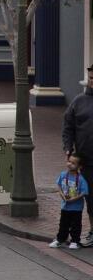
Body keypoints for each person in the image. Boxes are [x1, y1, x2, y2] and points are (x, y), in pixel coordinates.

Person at [61, 64, 93, 246]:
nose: (92, 82)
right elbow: (68, 127)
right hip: (86, 160)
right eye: (90, 78)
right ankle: (91, 232)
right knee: (90, 198)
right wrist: (68, 148)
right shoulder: (79, 102)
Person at [52, 153, 89, 249]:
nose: (69, 164)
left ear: (79, 166)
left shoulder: (81, 179)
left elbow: (84, 192)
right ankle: (60, 239)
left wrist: (74, 199)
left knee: (75, 225)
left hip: (76, 208)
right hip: (65, 206)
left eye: (73, 163)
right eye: (69, 161)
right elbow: (59, 185)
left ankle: (75, 241)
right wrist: (61, 194)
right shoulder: (63, 175)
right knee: (63, 224)